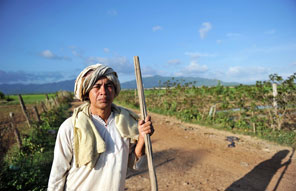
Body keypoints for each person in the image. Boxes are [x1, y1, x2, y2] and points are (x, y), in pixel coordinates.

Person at [48, 64, 154, 191]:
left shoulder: (128, 124)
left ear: (114, 91)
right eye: (97, 87)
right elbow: (58, 173)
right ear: (87, 93)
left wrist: (142, 139)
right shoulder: (71, 127)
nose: (103, 92)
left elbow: (134, 165)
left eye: (109, 86)